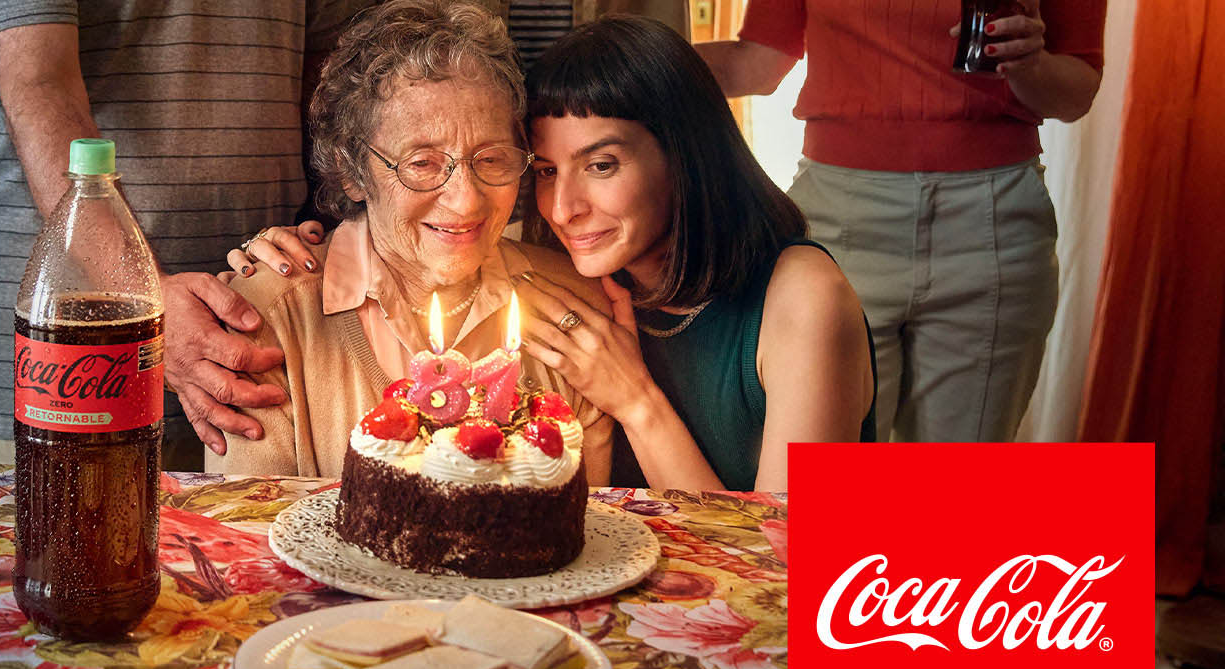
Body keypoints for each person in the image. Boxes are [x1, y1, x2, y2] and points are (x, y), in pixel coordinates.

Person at [242, 15, 875, 492]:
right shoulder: (578, 274)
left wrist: (637, 403)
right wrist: (283, 261)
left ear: (686, 155)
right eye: (544, 169)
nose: (564, 207)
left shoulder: (800, 296)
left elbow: (783, 569)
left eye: (602, 164)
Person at [0, 1, 373, 468]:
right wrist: (146, 304)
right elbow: (39, 84)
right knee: (52, 534)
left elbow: (333, 73)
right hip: (66, 333)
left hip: (259, 324)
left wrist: (334, 229)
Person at [208, 0, 614, 481]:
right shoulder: (268, 318)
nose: (465, 203)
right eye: (422, 163)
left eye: (491, 158)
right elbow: (245, 536)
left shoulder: (575, 305)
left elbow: (589, 528)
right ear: (353, 171)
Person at [697, 0, 1106, 442]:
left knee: (953, 498)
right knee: (824, 497)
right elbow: (755, 66)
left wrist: (1030, 65)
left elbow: (1076, 93)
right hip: (838, 220)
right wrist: (626, 58)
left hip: (991, 225)